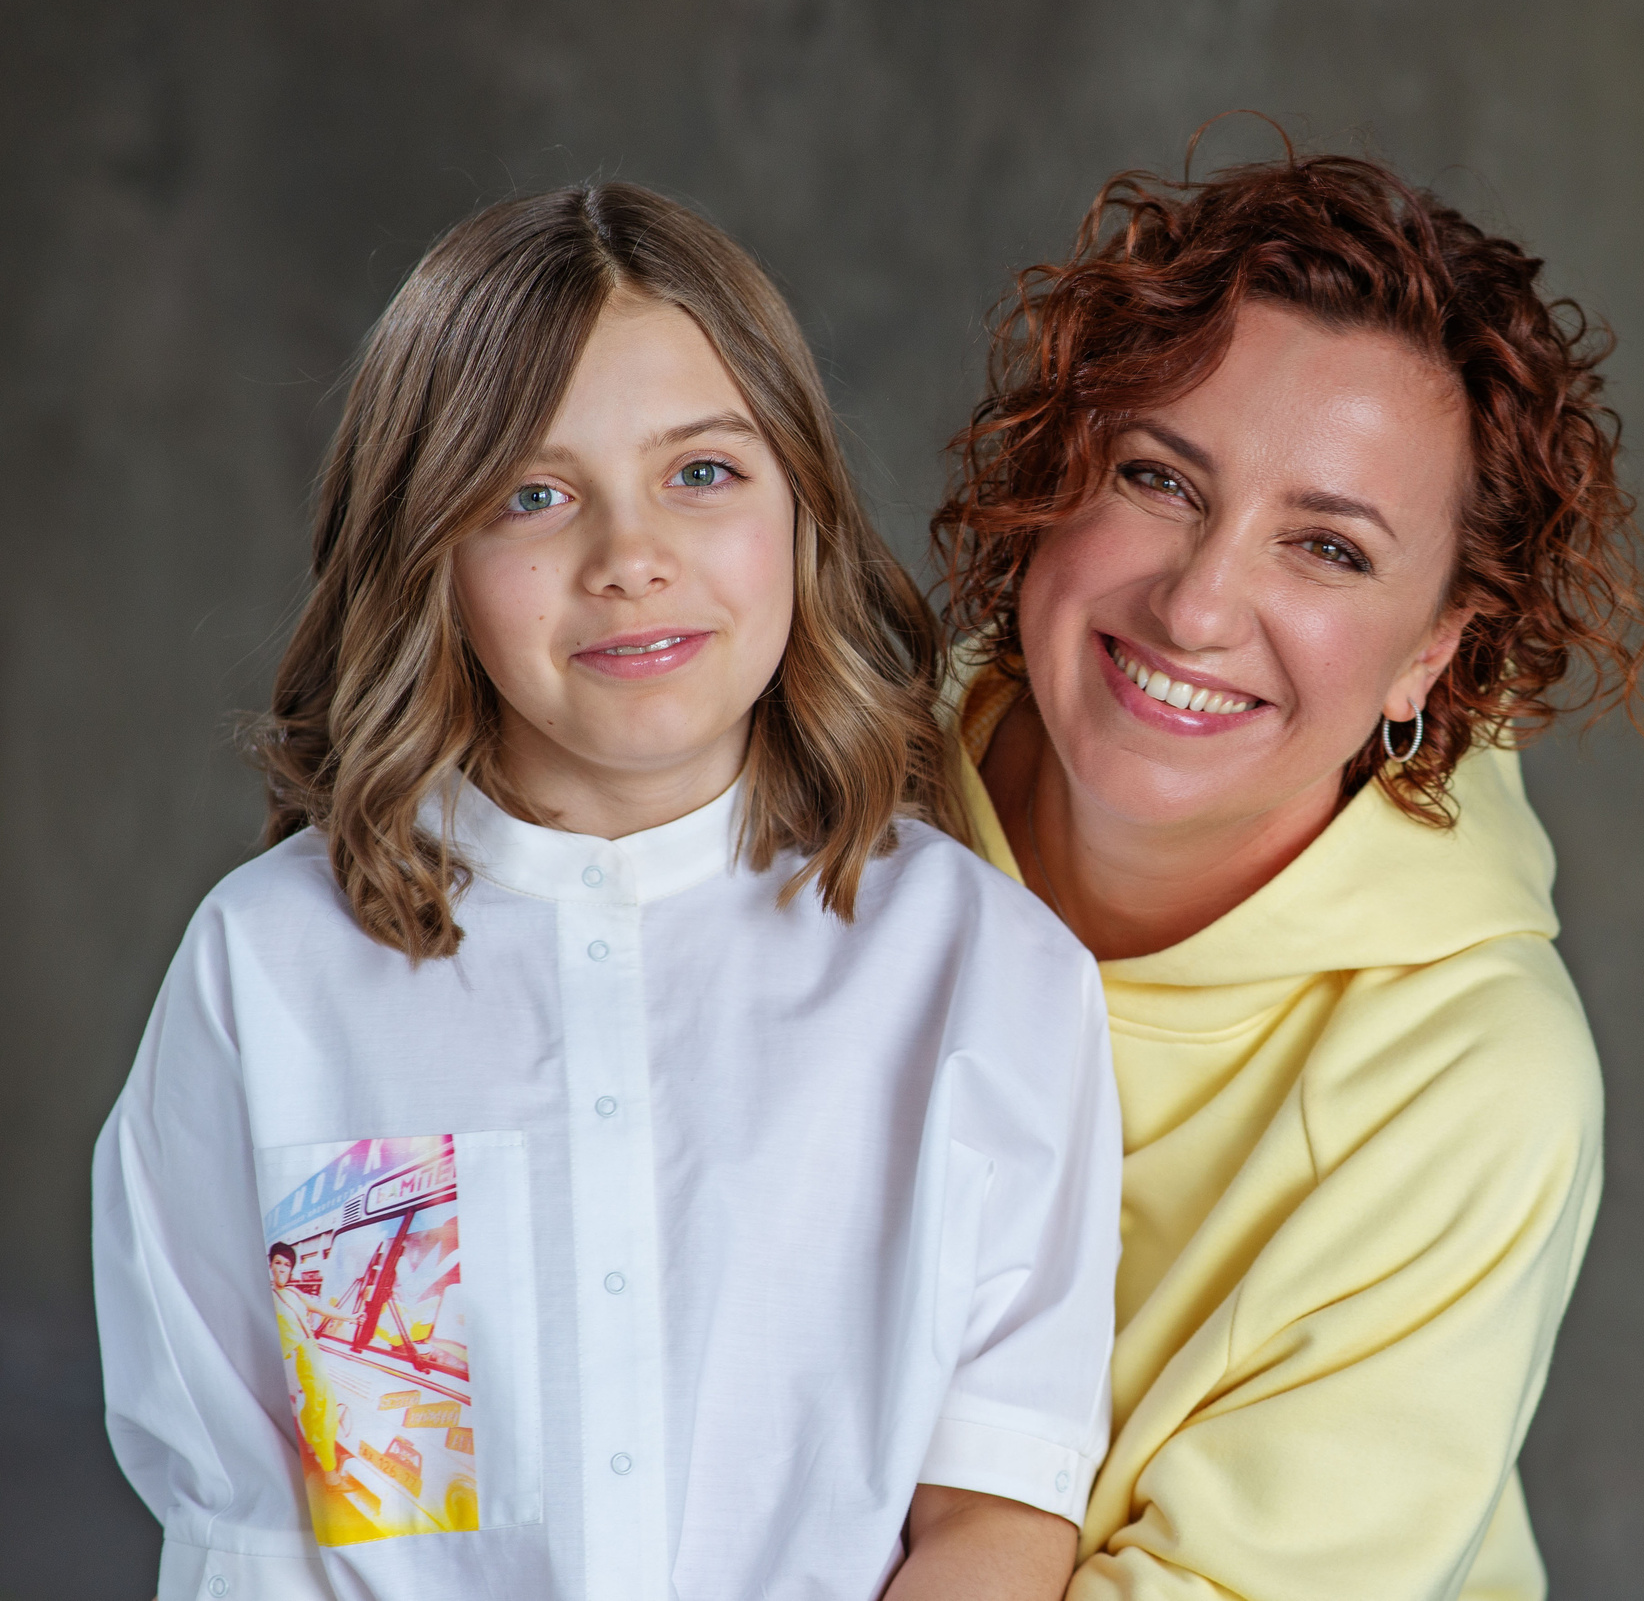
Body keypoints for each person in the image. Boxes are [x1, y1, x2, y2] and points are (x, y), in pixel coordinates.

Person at [94, 183, 1120, 1601]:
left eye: (702, 471)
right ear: (430, 557)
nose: (629, 555)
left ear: (803, 504)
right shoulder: (274, 978)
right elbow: (266, 1538)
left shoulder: (985, 974)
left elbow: (995, 1517)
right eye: (533, 493)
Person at [934, 148, 1644, 1600]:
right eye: (1158, 478)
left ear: (1434, 647)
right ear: (1054, 477)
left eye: (1327, 548)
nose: (1199, 605)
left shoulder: (1475, 1076)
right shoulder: (815, 795)